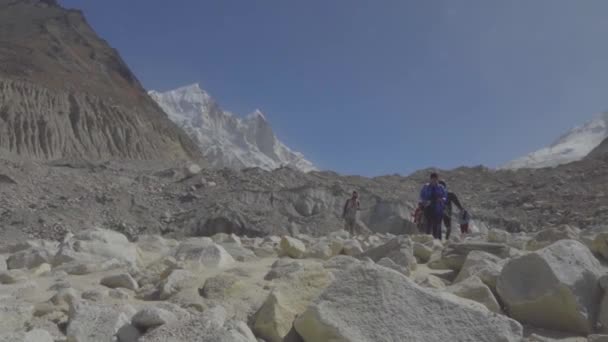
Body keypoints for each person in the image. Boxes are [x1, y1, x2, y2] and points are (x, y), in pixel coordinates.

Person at [419, 173, 447, 240]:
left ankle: (436, 240)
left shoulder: (441, 187)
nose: (434, 181)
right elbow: (421, 196)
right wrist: (424, 202)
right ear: (430, 179)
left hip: (438, 209)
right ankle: (428, 239)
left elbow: (445, 197)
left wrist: (441, 200)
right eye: (433, 179)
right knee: (428, 224)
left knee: (437, 225)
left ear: (437, 179)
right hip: (428, 208)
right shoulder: (425, 187)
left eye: (435, 180)